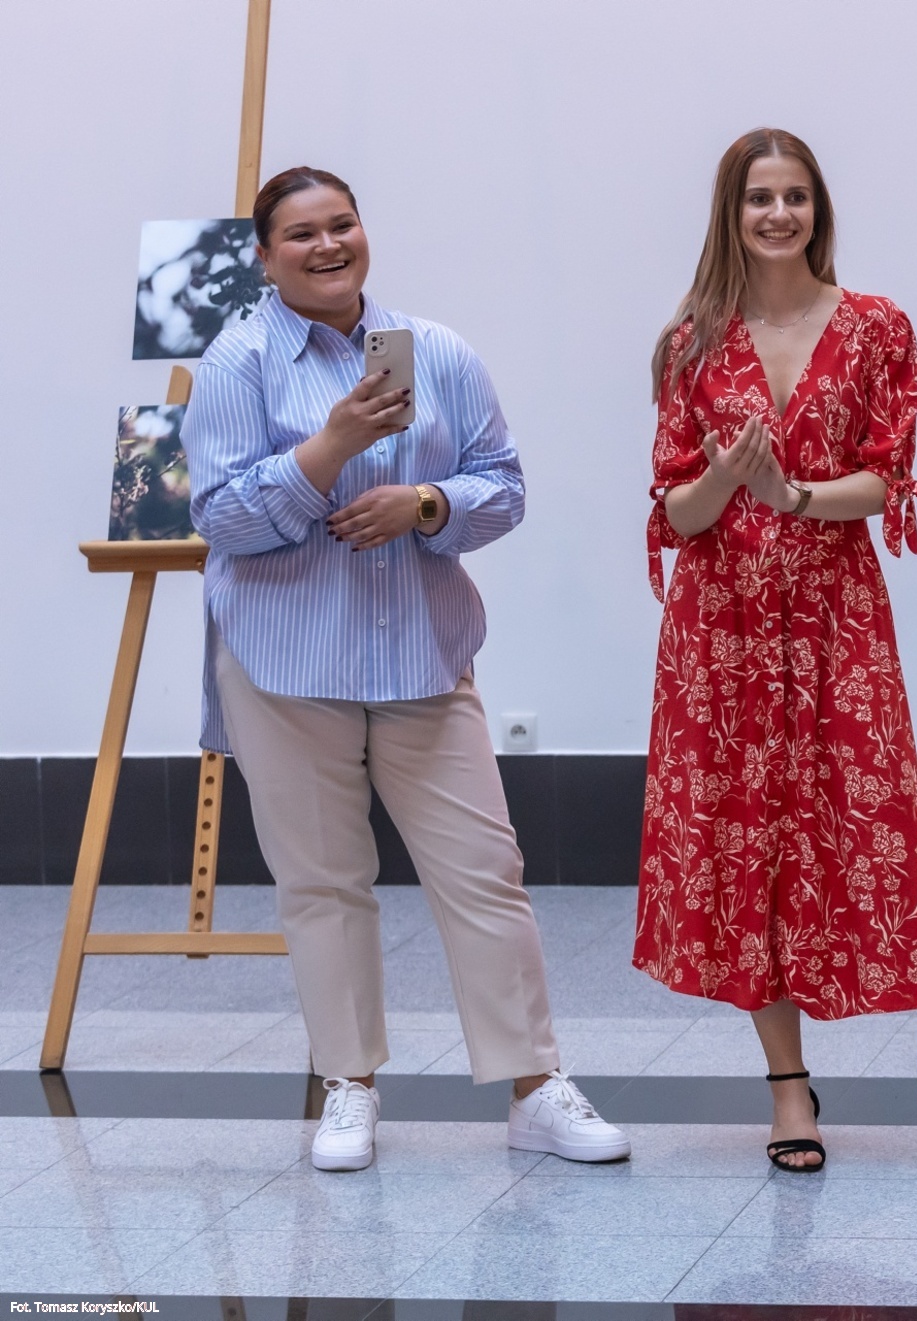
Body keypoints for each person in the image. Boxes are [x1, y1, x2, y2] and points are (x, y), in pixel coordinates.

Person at [183, 166, 629, 1173]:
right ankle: (349, 1085)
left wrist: (426, 504)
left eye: (341, 223)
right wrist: (331, 448)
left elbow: (502, 486)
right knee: (323, 882)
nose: (328, 245)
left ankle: (535, 1087)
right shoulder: (236, 363)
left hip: (423, 654)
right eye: (302, 233)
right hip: (285, 665)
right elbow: (222, 518)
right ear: (264, 256)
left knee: (485, 873)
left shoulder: (439, 352)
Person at [634, 127, 917, 1181]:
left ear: (819, 210)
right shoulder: (689, 343)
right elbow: (676, 509)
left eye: (795, 197)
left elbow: (884, 480)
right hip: (720, 633)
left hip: (835, 619)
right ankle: (787, 1087)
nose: (778, 214)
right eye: (759, 197)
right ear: (731, 213)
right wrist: (727, 482)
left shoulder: (876, 328)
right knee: (749, 849)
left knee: (889, 837)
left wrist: (792, 493)